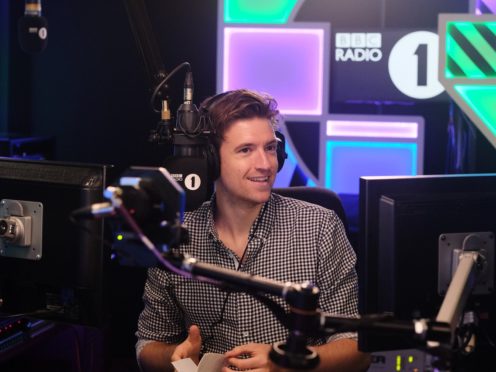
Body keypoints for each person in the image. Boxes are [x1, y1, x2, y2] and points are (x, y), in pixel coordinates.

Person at [135, 89, 370, 371]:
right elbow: (147, 345)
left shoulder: (319, 227)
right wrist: (175, 356)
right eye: (246, 150)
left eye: (270, 148)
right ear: (209, 160)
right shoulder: (174, 234)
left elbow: (358, 348)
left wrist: (286, 365)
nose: (266, 164)